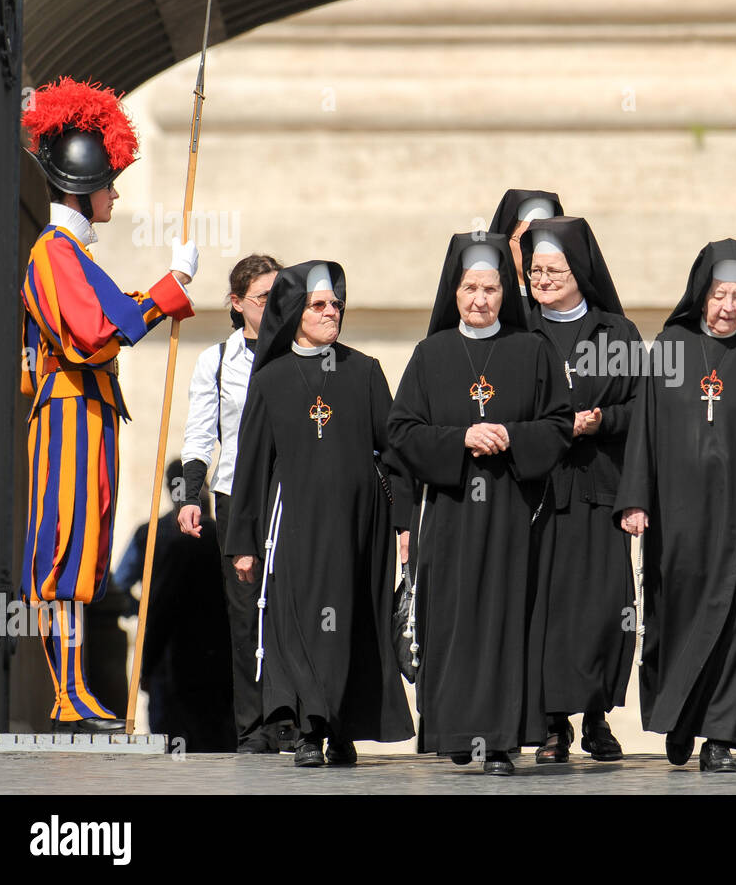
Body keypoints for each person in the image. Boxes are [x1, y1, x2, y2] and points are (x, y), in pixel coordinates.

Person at [19, 77, 199, 733]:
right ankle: (67, 690)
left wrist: (154, 295)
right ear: (83, 184)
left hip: (88, 416)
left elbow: (105, 316)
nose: (116, 194)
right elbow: (95, 332)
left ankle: (76, 688)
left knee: (86, 549)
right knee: (66, 552)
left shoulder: (73, 255)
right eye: (109, 182)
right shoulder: (55, 251)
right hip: (68, 414)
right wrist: (169, 289)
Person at [387, 233, 572, 776]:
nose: (480, 299)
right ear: (455, 290)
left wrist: (511, 436)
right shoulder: (432, 352)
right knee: (454, 619)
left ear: (504, 292)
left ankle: (500, 743)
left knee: (506, 619)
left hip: (514, 512)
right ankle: (455, 731)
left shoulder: (532, 349)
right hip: (449, 514)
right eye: (470, 287)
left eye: (490, 288)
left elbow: (559, 423)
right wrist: (461, 439)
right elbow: (401, 431)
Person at [225, 261, 414, 766]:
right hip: (296, 527)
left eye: (336, 304)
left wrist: (404, 524)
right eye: (319, 305)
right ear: (294, 312)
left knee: (351, 621)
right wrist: (242, 543)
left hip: (360, 526)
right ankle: (310, 729)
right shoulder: (271, 380)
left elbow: (394, 453)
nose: (332, 312)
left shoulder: (365, 370)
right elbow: (251, 467)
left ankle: (343, 726)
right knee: (302, 622)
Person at [616, 239, 736, 773]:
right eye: (719, 294)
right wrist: (635, 500)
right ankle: (679, 716)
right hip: (675, 511)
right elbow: (641, 431)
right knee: (674, 613)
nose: (728, 306)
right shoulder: (668, 346)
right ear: (700, 295)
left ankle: (720, 736)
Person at [519, 217, 640, 763]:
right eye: (535, 270)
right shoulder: (518, 329)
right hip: (537, 497)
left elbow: (646, 410)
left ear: (580, 271)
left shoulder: (617, 333)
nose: (543, 279)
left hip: (600, 491)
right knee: (543, 610)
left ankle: (597, 717)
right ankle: (550, 724)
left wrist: (602, 422)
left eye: (554, 269)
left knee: (601, 609)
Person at [176, 254, 283, 753]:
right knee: (245, 609)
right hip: (236, 490)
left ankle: (297, 720)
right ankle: (253, 726)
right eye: (265, 297)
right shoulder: (216, 360)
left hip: (291, 490)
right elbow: (199, 434)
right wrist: (189, 496)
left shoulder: (300, 351)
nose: (277, 305)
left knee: (292, 605)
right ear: (238, 304)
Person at [115, 460, 234, 753]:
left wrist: (144, 612)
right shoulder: (153, 536)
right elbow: (125, 588)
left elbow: (144, 600)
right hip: (185, 663)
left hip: (189, 663)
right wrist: (142, 608)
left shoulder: (218, 539)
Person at [488, 188, 563, 294]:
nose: (532, 250)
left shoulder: (562, 301)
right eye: (523, 239)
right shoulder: (492, 300)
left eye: (540, 242)